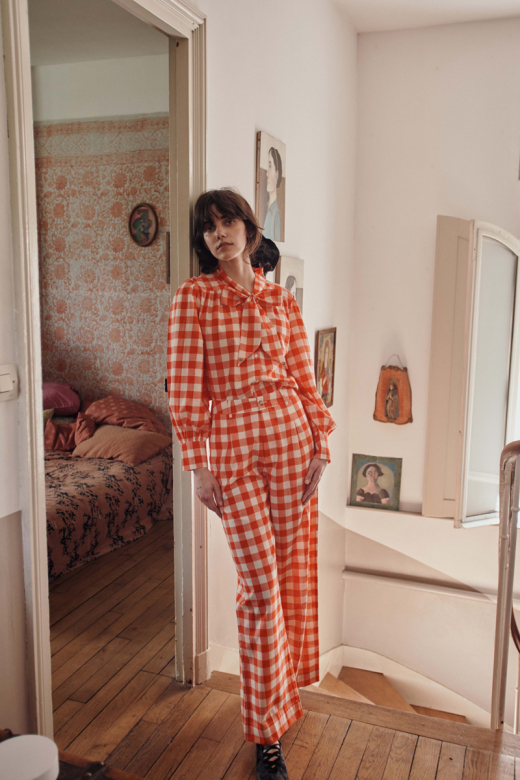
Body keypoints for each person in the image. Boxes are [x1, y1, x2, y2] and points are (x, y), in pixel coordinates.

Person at [167, 188, 335, 780]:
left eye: (228, 221)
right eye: (208, 227)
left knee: (287, 575)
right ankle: (266, 736)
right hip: (234, 446)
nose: (219, 234)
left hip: (292, 438)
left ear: (248, 228)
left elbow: (305, 380)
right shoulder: (193, 298)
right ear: (203, 240)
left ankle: (278, 709)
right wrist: (198, 464)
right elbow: (184, 388)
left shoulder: (281, 301)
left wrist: (321, 442)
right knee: (259, 587)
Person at [263, 147, 282, 241]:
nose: (267, 173)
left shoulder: (275, 214)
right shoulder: (266, 207)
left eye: (270, 166)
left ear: (277, 174)